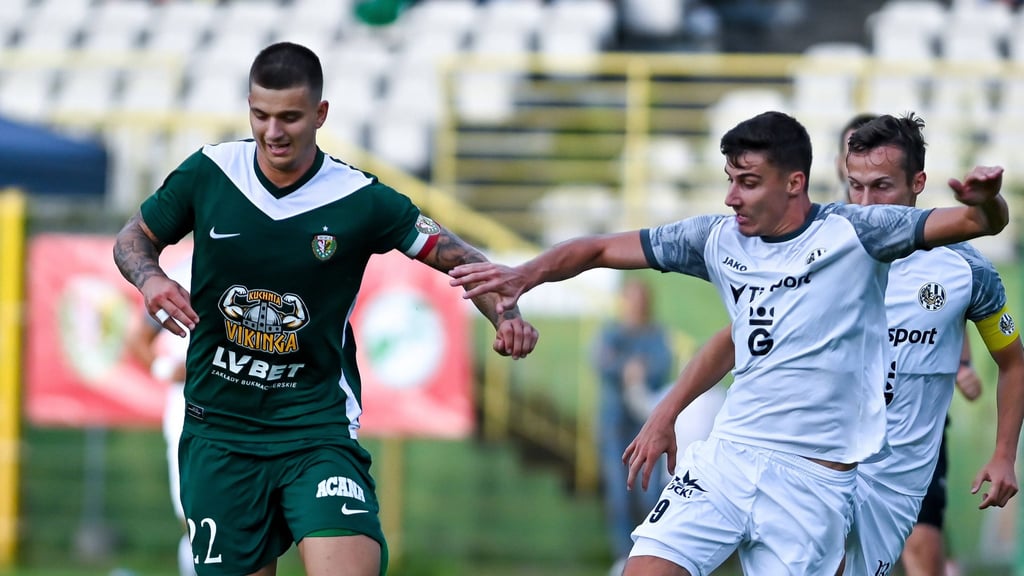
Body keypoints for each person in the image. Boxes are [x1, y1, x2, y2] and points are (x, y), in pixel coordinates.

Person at [449, 110, 1010, 575]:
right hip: (729, 458)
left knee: (923, 556)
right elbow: (600, 250)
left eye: (746, 182)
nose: (730, 198)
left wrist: (987, 203)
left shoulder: (860, 234)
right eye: (729, 180)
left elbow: (977, 226)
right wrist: (524, 275)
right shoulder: (714, 240)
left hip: (821, 481)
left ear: (793, 183)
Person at [112, 41, 539, 576]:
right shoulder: (209, 172)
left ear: (320, 114)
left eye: (290, 117)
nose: (273, 131)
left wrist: (508, 315)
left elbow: (460, 259)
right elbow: (133, 237)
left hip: (314, 429)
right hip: (219, 432)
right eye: (261, 114)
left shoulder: (360, 199)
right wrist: (149, 277)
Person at [592, 279, 673, 570]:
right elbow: (600, 360)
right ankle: (623, 560)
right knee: (618, 492)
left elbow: (662, 367)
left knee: (649, 491)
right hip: (614, 426)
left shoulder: (657, 335)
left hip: (647, 428)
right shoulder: (611, 333)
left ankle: (651, 556)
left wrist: (634, 368)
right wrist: (628, 367)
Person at [124, 254, 195, 576]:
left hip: (249, 406)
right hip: (189, 409)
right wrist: (167, 369)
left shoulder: (264, 267)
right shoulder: (184, 275)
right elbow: (139, 338)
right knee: (193, 516)